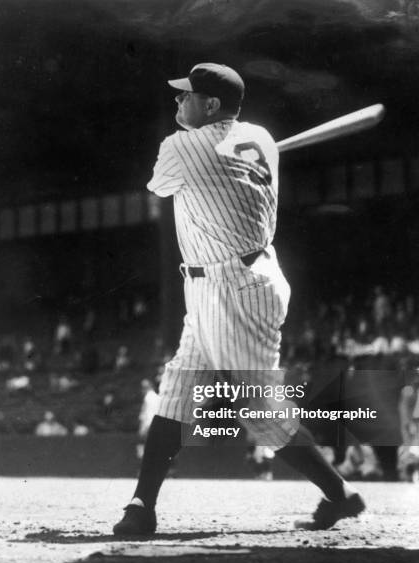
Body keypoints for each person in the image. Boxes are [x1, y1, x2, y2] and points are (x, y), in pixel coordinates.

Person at [113, 63, 365, 537]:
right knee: (177, 393)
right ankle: (141, 505)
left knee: (260, 412)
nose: (177, 102)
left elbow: (158, 188)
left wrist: (203, 154)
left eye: (186, 96)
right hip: (222, 283)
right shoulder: (261, 137)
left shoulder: (181, 146)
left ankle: (340, 494)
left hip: (235, 287)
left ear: (210, 105)